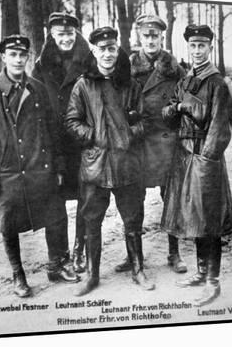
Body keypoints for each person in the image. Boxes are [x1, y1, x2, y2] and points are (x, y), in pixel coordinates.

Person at [0, 34, 79, 298]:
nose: (18, 60)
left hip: (40, 167)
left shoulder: (38, 89)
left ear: (28, 57)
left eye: (23, 55)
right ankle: (18, 273)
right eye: (13, 55)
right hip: (7, 171)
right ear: (3, 57)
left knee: (56, 216)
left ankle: (57, 264)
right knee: (8, 223)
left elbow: (53, 131)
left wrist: (60, 167)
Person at [65, 27, 155, 296]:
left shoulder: (130, 84)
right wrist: (94, 135)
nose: (107, 54)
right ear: (93, 51)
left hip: (127, 163)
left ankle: (138, 269)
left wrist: (128, 134)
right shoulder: (83, 85)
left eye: (112, 48)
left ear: (118, 50)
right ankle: (92, 275)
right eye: (102, 49)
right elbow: (71, 121)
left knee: (133, 219)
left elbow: (146, 120)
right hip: (95, 166)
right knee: (92, 221)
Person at [161, 25, 232, 306]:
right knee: (194, 218)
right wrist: (178, 108)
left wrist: (207, 158)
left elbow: (220, 127)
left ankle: (213, 282)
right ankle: (201, 273)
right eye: (192, 46)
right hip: (184, 155)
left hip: (205, 158)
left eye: (201, 46)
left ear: (209, 48)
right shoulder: (185, 79)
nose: (196, 51)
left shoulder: (216, 82)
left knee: (210, 220)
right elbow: (167, 115)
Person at [114, 14, 188, 274]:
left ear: (162, 37)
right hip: (136, 144)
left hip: (167, 143)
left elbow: (186, 103)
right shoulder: (126, 66)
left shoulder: (174, 68)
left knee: (171, 199)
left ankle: (174, 253)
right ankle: (134, 256)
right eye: (146, 35)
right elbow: (117, 101)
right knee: (132, 202)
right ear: (139, 36)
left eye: (155, 35)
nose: (151, 40)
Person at [32, 13, 91, 273]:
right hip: (53, 144)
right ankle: (58, 256)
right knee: (53, 203)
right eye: (59, 34)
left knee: (86, 199)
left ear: (76, 34)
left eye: (69, 34)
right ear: (51, 36)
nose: (65, 39)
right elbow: (35, 104)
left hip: (82, 143)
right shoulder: (40, 65)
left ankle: (80, 251)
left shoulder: (90, 61)